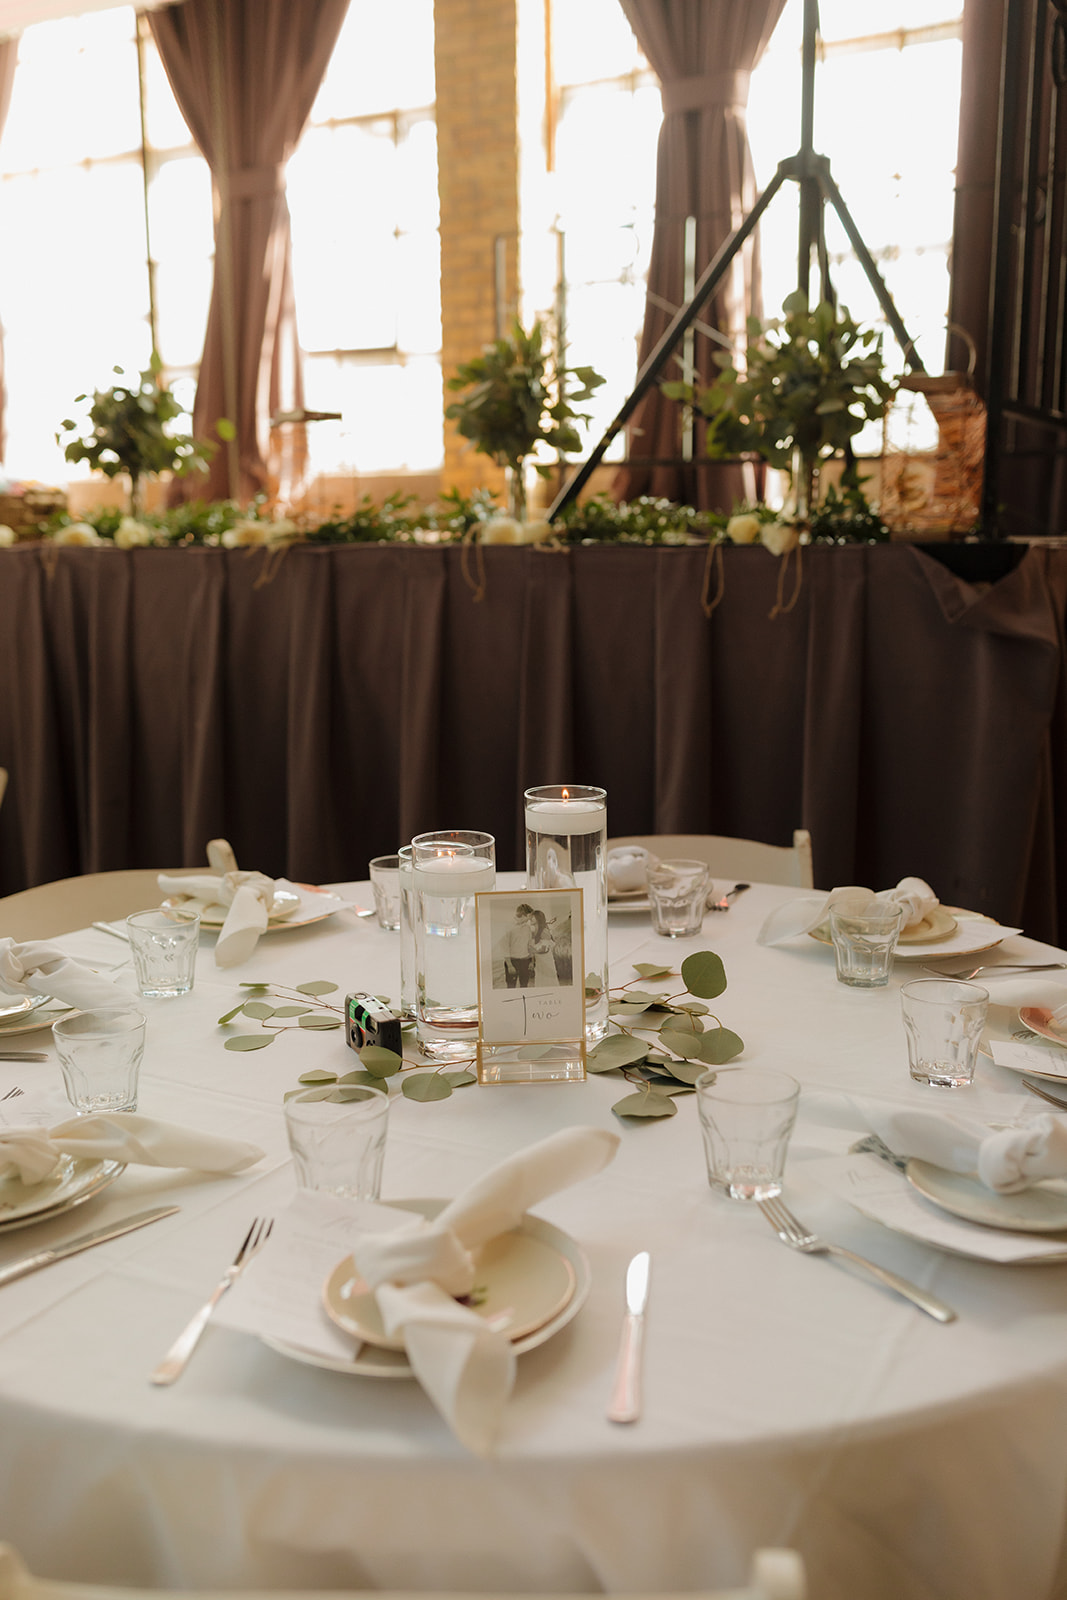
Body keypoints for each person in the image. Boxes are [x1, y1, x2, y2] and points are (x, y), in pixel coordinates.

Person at [501, 903, 535, 988]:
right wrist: (509, 965)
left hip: (525, 961)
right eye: (529, 917)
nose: (529, 920)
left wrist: (532, 961)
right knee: (511, 987)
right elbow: (505, 947)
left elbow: (530, 945)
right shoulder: (508, 927)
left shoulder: (528, 928)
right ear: (525, 915)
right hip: (512, 962)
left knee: (524, 986)